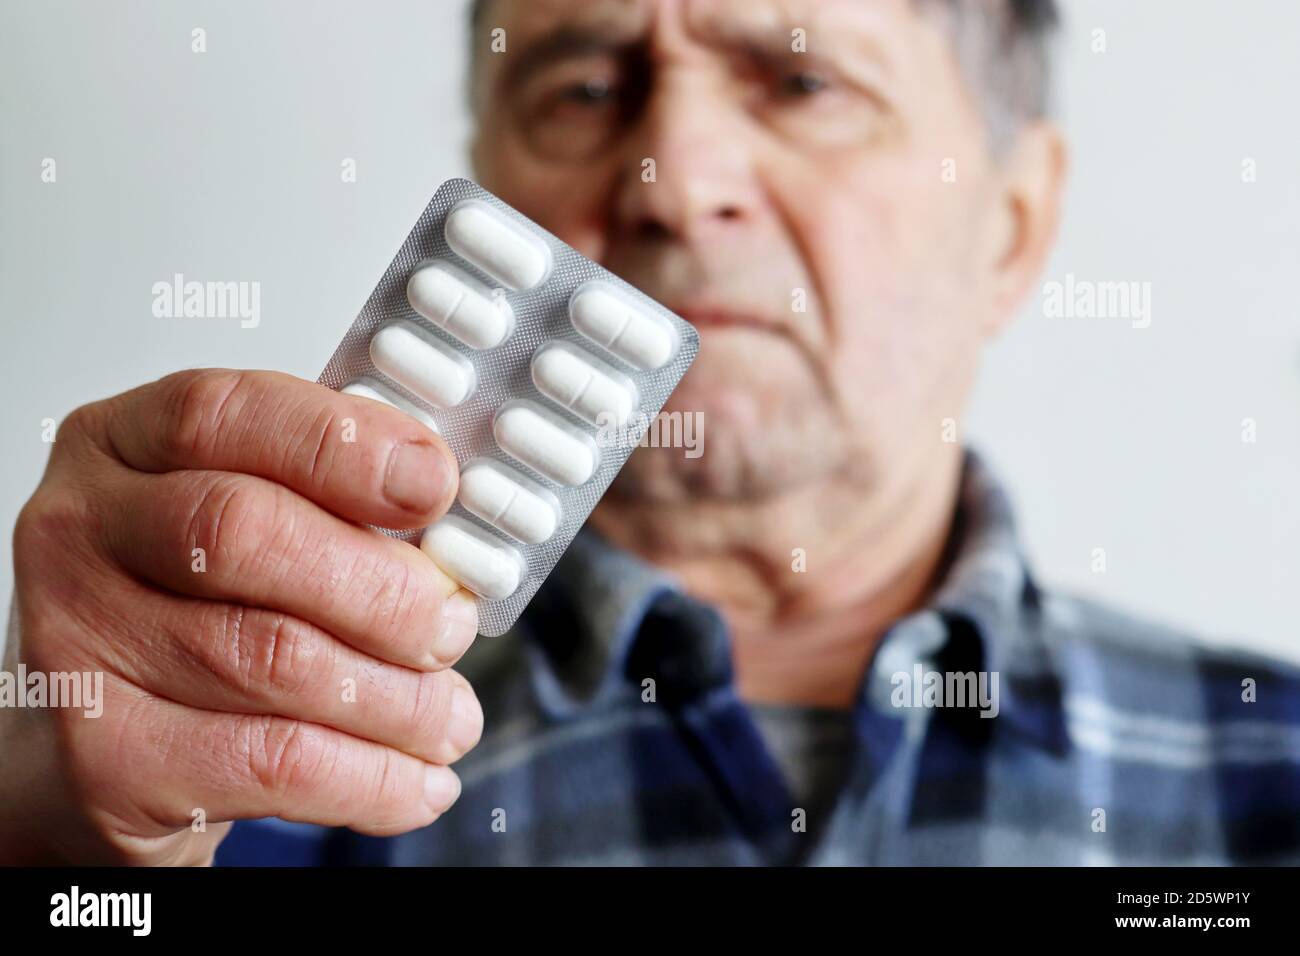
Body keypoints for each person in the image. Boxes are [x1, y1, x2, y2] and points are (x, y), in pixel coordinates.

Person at [3, 0, 1298, 866]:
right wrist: (58, 855)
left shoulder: (1270, 777)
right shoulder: (250, 781)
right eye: (579, 88)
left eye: (802, 79)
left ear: (1011, 226)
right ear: (490, 181)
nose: (672, 181)